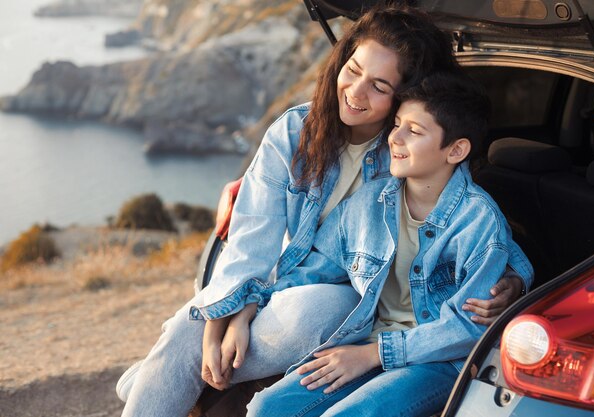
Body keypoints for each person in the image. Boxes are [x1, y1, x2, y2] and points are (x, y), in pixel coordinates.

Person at [119, 5, 525, 417]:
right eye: (353, 69)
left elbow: (481, 241)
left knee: (320, 307)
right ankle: (168, 376)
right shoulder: (294, 132)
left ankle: (165, 378)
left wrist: (513, 281)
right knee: (189, 328)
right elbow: (251, 241)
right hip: (279, 284)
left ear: (406, 96)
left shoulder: (407, 158)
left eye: (380, 86)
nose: (355, 92)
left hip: (350, 306)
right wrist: (234, 313)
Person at [246, 70, 533, 417]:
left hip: (441, 361)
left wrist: (374, 354)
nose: (394, 138)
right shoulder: (368, 203)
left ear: (456, 150)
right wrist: (251, 305)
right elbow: (317, 268)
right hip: (371, 342)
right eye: (397, 124)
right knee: (267, 407)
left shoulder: (479, 221)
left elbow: (468, 328)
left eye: (414, 131)